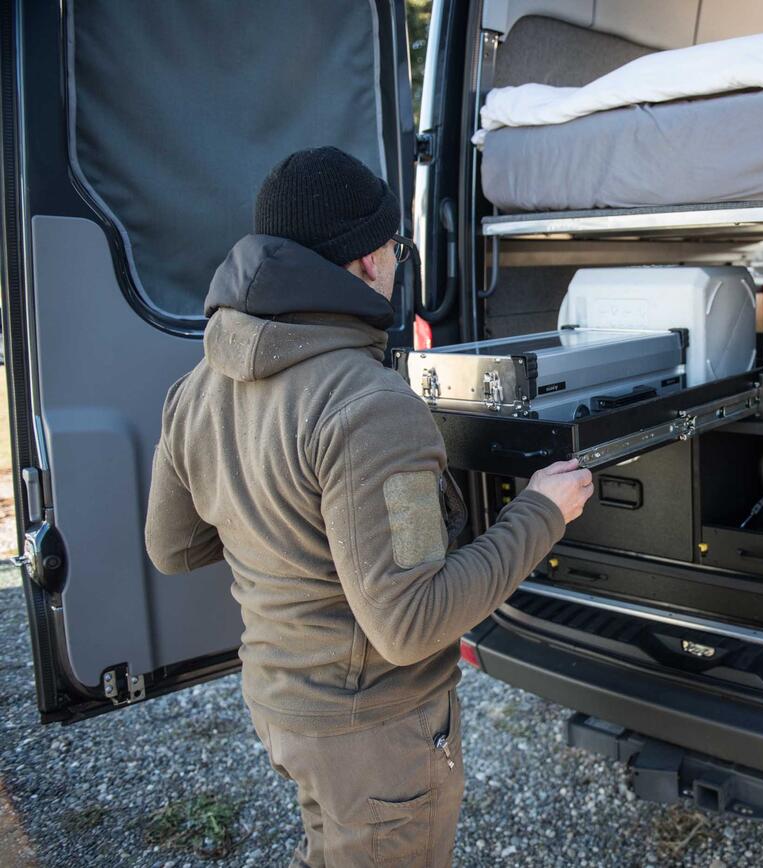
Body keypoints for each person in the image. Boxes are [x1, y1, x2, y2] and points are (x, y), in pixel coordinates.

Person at [144, 146, 592, 866]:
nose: (399, 261)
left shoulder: (197, 387)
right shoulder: (369, 408)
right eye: (396, 245)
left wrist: (273, 522)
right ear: (362, 265)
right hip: (373, 737)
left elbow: (174, 546)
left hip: (282, 704)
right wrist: (542, 511)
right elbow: (410, 623)